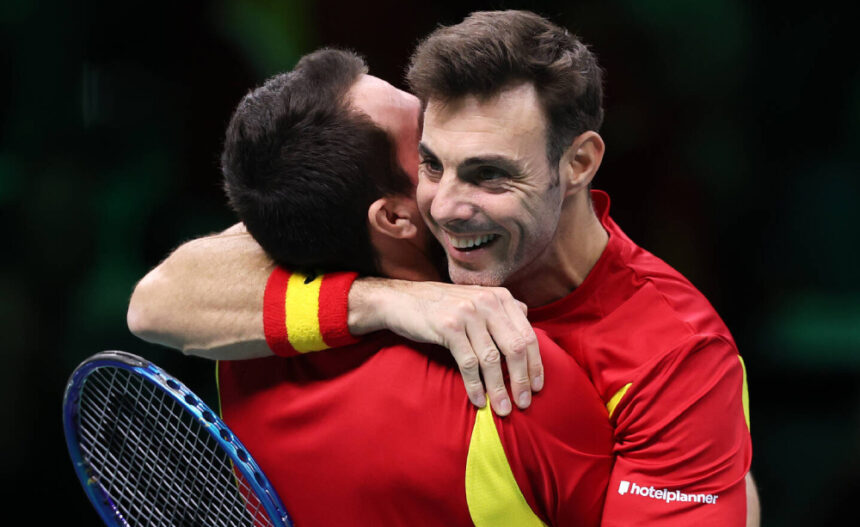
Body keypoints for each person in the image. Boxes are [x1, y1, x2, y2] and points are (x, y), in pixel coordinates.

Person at [129, 10, 758, 526]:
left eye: (488, 172)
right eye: (429, 160)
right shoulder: (351, 246)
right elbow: (155, 302)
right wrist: (388, 300)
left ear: (578, 162)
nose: (448, 205)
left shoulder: (677, 359)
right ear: (392, 214)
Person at [193, 47, 614, 525]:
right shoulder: (521, 381)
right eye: (429, 153)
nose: (450, 126)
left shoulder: (239, 348)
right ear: (394, 218)